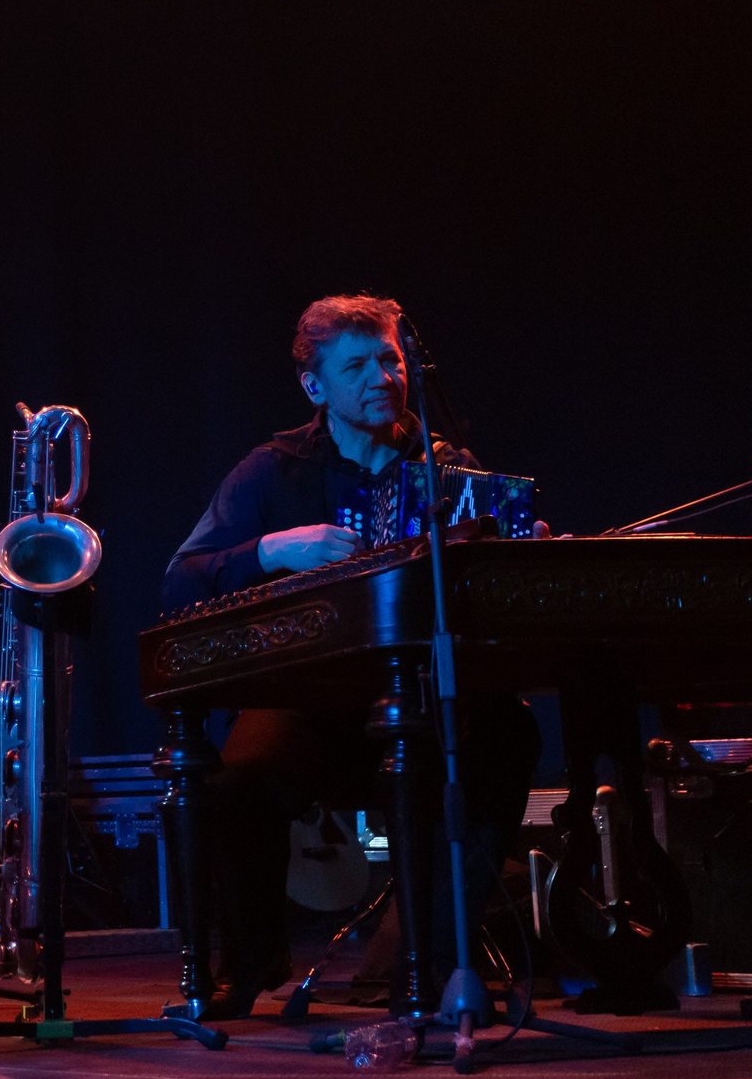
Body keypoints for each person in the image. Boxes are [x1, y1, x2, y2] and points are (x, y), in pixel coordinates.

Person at [160, 294, 539, 1018]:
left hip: (425, 696)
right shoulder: (272, 470)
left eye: (390, 360)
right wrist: (275, 548)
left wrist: (518, 548)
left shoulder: (446, 466)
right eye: (357, 365)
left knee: (508, 734)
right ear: (315, 386)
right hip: (311, 699)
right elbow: (180, 579)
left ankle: (430, 963)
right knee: (241, 777)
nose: (382, 378)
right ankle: (251, 960)